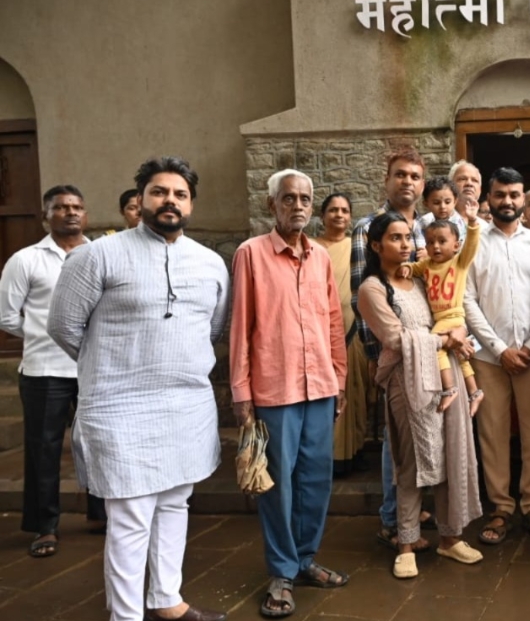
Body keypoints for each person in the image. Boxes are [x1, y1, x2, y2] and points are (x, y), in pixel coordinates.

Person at [47, 156, 228, 621]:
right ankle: (125, 616)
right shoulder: (97, 256)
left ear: (191, 203)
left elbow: (212, 328)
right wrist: (115, 368)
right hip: (119, 406)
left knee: (174, 504)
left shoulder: (210, 263)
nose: (170, 201)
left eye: (180, 194)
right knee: (129, 516)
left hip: (186, 404)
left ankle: (166, 599)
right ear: (140, 199)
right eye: (159, 192)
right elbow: (65, 327)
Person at [231, 168, 349, 617]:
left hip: (320, 385)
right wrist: (241, 391)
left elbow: (333, 322)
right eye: (288, 198)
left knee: (316, 480)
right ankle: (281, 572)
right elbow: (241, 326)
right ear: (271, 205)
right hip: (273, 389)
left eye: (304, 199)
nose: (297, 206)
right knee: (277, 487)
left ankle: (304, 559)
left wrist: (339, 379)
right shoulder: (251, 254)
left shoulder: (318, 257)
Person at [357, 212, 484, 579]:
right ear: (376, 245)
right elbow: (396, 339)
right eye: (394, 238)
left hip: (447, 376)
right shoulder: (373, 288)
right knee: (412, 465)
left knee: (452, 458)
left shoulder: (424, 277)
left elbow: (451, 306)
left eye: (407, 238)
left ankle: (450, 538)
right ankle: (406, 543)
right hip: (407, 382)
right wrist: (446, 339)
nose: (404, 244)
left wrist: (456, 333)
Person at [0, 185, 106, 557]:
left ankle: (100, 513)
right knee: (43, 448)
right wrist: (45, 333)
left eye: (77, 206)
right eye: (61, 207)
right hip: (45, 369)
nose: (71, 213)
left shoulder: (101, 255)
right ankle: (45, 526)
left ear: (86, 214)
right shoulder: (26, 260)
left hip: (95, 368)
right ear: (47, 216)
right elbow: (7, 316)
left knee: (98, 444)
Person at [464, 167, 530, 544]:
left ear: (524, 198)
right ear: (489, 197)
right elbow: (466, 300)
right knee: (492, 433)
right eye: (500, 194)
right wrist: (500, 350)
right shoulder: (472, 242)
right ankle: (500, 507)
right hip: (489, 358)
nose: (508, 202)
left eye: (515, 195)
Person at [351, 147, 431, 552]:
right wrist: (375, 357)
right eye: (400, 175)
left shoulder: (434, 226)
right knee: (395, 440)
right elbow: (361, 297)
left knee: (424, 435)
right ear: (387, 179)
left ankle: (416, 513)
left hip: (430, 353)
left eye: (415, 176)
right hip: (394, 354)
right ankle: (391, 518)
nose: (407, 182)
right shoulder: (369, 226)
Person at [402, 191, 484, 409]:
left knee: (435, 347)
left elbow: (472, 245)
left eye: (442, 241)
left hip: (453, 316)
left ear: (456, 245)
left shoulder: (459, 263)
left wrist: (473, 222)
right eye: (430, 242)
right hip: (439, 316)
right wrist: (405, 268)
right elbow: (413, 267)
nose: (436, 246)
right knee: (460, 355)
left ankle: (450, 388)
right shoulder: (427, 264)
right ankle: (474, 392)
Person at [314, 193, 374, 477]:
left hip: (354, 331)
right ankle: (326, 456)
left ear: (350, 216)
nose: (339, 215)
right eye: (333, 210)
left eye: (345, 210)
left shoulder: (356, 247)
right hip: (317, 334)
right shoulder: (310, 247)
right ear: (322, 215)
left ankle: (353, 452)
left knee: (356, 394)